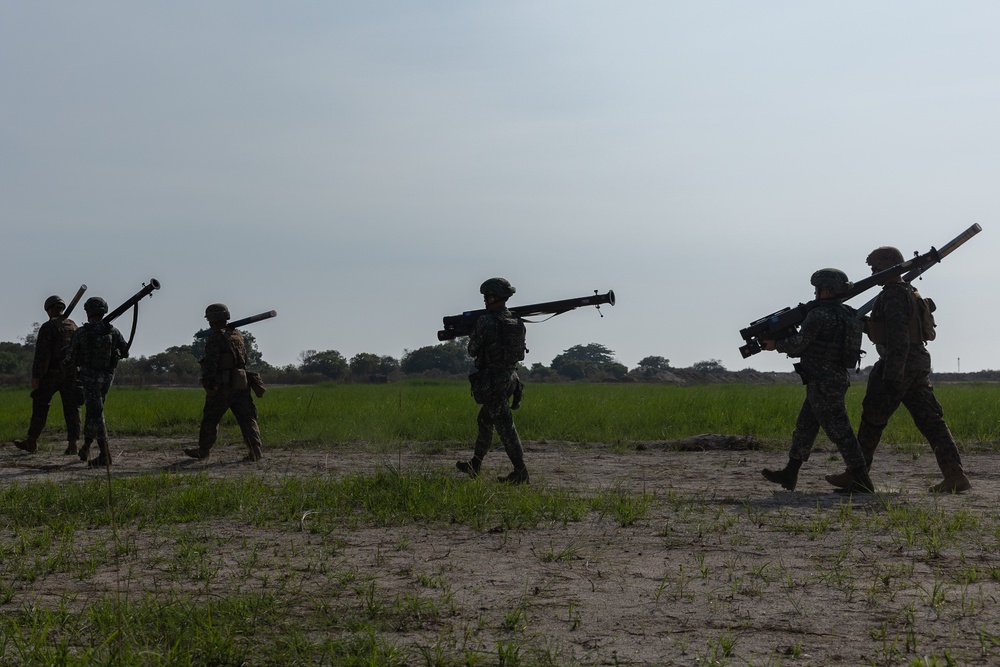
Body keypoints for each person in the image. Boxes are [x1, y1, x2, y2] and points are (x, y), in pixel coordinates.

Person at [825, 247, 971, 494]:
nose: (872, 274)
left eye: (875, 269)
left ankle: (857, 476)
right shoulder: (909, 291)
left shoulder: (892, 296)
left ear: (886, 267)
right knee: (933, 423)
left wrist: (892, 375)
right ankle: (954, 475)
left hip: (898, 365)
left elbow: (898, 338)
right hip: (916, 365)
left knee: (872, 419)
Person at [760, 269, 874, 493]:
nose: (815, 293)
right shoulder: (848, 313)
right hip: (830, 379)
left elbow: (800, 344)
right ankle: (790, 473)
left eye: (818, 289)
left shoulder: (819, 315)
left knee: (841, 432)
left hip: (823, 382)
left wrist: (776, 345)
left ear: (827, 290)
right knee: (805, 427)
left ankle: (863, 481)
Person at [456, 278, 529, 484]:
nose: (485, 300)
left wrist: (473, 332)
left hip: (494, 381)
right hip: (511, 378)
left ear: (494, 296)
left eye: (487, 296)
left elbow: (472, 350)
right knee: (485, 420)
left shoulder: (486, 321)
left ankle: (521, 472)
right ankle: (475, 465)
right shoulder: (516, 321)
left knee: (506, 427)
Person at [184, 303, 264, 462]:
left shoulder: (216, 337)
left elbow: (211, 363)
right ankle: (255, 450)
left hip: (222, 385)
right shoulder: (237, 335)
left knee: (210, 419)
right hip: (241, 382)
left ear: (211, 320)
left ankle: (203, 451)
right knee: (247, 418)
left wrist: (209, 383)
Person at [63, 297, 129, 467]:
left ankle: (105, 455)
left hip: (89, 378)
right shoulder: (113, 331)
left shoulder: (82, 332)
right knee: (94, 412)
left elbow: (70, 357)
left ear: (87, 312)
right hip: (107, 379)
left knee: (97, 414)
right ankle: (85, 447)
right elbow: (125, 351)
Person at [13, 295, 83, 455]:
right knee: (72, 408)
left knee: (40, 405)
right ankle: (73, 445)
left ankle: (32, 441)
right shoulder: (73, 326)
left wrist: (37, 376)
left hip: (52, 374)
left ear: (49, 309)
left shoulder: (48, 327)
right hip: (71, 373)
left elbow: (42, 355)